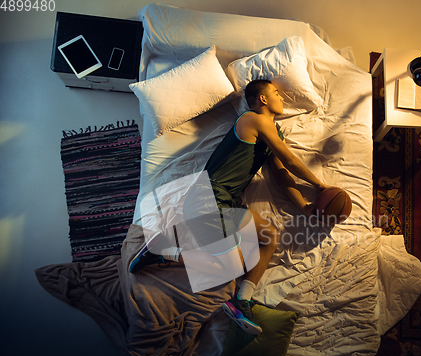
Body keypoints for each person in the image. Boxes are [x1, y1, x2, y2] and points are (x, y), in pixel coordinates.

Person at [130, 79, 326, 335]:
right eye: (276, 93)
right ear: (263, 99)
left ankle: (240, 297)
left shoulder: (274, 133)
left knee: (265, 239)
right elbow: (289, 159)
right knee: (230, 263)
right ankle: (162, 253)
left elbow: (280, 174)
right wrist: (320, 186)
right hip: (206, 197)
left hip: (225, 201)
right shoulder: (252, 119)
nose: (282, 98)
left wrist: (304, 207)